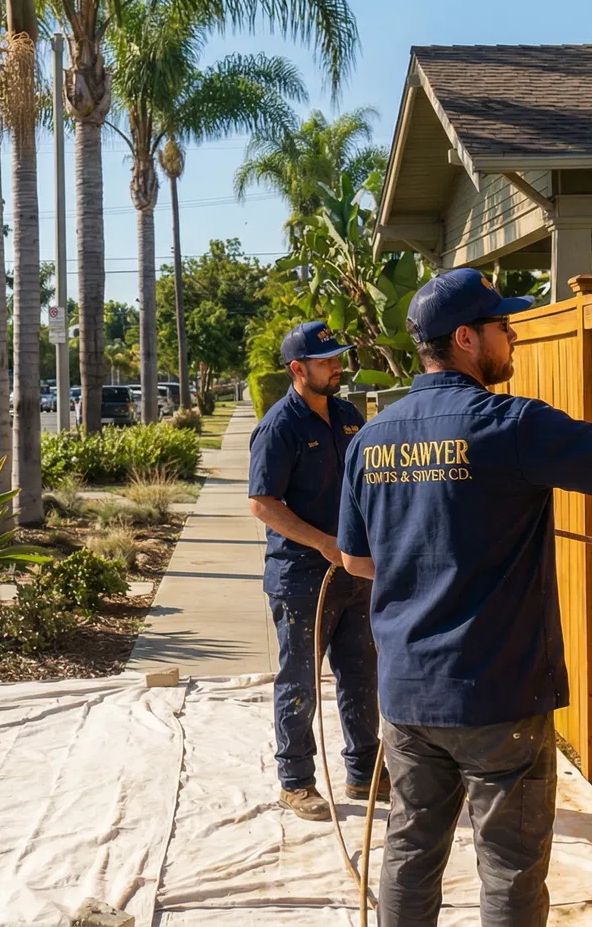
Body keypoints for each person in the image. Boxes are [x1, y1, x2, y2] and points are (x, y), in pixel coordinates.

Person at [336, 269, 592, 926]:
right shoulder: (510, 425)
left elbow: (357, 559)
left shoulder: (371, 440)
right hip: (496, 699)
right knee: (508, 872)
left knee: (410, 857)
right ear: (468, 338)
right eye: (504, 326)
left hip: (408, 697)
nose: (514, 335)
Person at [248, 320, 380, 822]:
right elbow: (262, 503)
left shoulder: (348, 415)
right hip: (302, 575)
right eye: (326, 361)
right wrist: (323, 542)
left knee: (361, 672)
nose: (336, 367)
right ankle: (296, 781)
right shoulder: (279, 426)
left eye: (337, 358)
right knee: (300, 676)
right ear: (298, 369)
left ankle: (364, 772)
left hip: (353, 570)